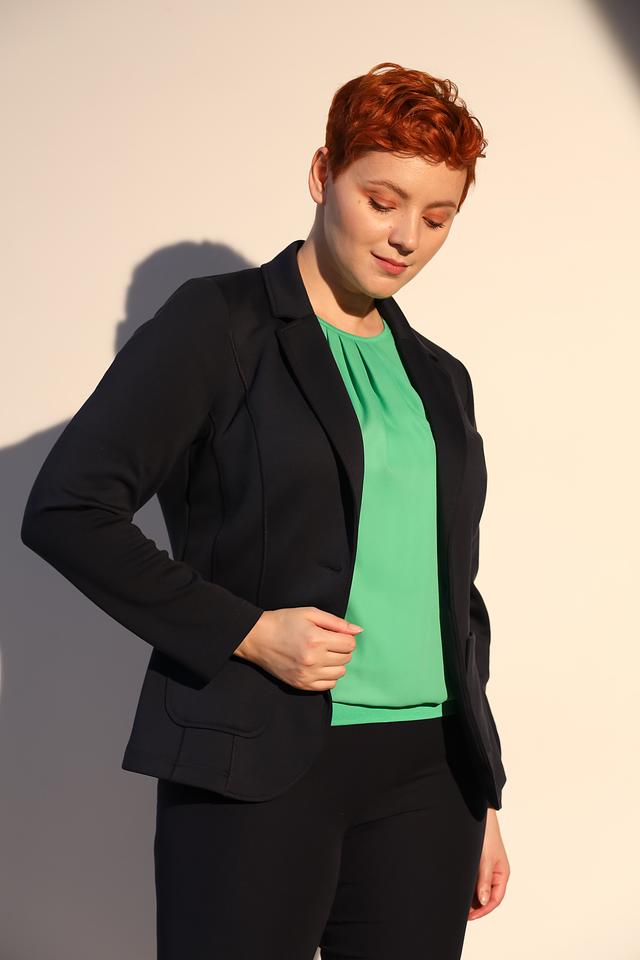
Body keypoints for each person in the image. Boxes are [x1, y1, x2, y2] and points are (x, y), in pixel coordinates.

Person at [21, 61, 510, 958]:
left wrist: (482, 790)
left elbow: (453, 592)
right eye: (382, 201)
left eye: (438, 217)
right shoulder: (218, 325)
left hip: (429, 778)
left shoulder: (441, 378)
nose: (406, 237)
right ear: (324, 175)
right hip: (257, 760)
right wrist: (247, 632)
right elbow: (67, 507)